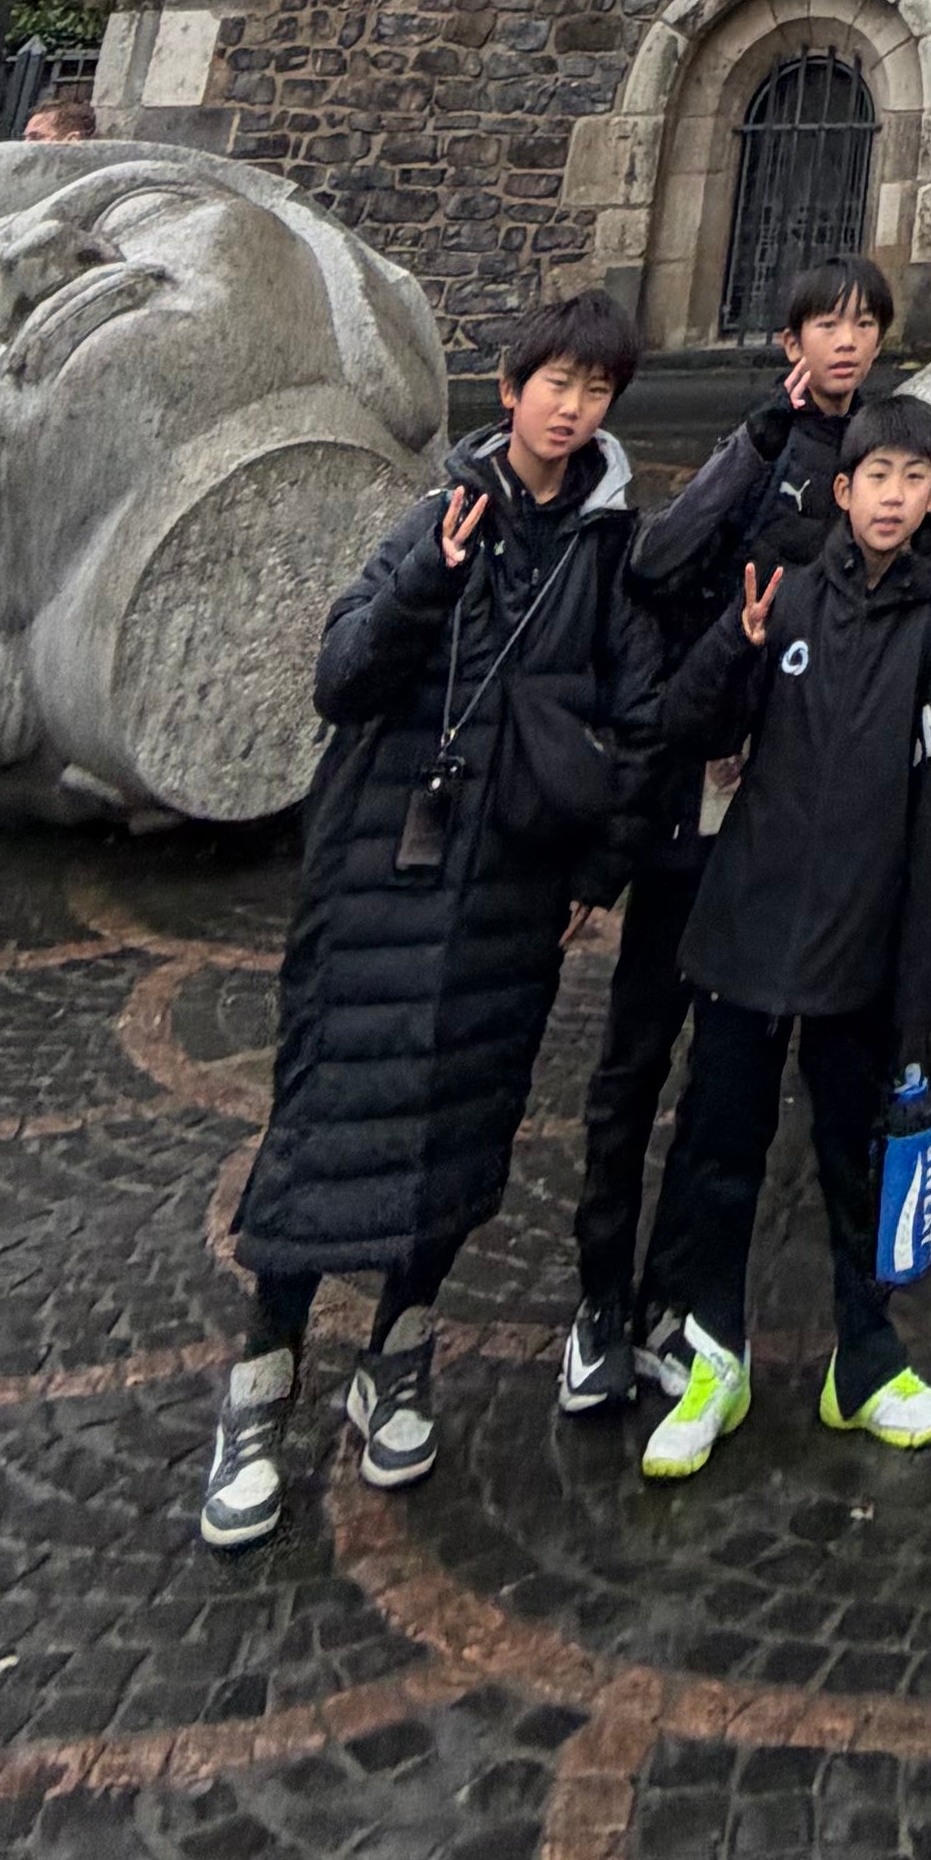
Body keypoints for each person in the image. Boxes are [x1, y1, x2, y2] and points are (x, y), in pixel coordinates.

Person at [198, 290, 649, 1554]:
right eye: (555, 384)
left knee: (465, 1115)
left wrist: (598, 869)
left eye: (595, 391)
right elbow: (341, 674)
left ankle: (398, 1354)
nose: (571, 410)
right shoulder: (439, 511)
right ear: (511, 390)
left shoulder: (606, 551)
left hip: (510, 881)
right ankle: (260, 1391)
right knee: (324, 1125)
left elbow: (638, 716)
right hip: (382, 871)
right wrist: (423, 584)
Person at [632, 390, 931, 1474]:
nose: (892, 498)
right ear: (843, 489)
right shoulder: (780, 595)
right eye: (876, 477)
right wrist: (732, 650)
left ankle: (865, 1360)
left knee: (855, 1158)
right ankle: (713, 1357)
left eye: (913, 481)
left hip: (859, 943)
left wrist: (917, 1001)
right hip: (748, 926)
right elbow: (685, 727)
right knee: (719, 1153)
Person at [565, 251, 891, 1413]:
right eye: (825, 324)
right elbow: (657, 565)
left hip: (775, 810)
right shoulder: (755, 442)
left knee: (724, 1082)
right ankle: (599, 1302)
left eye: (863, 323)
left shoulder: (879, 463)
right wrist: (758, 444)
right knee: (635, 1057)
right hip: (685, 799)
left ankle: (678, 1302)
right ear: (790, 341)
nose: (845, 341)